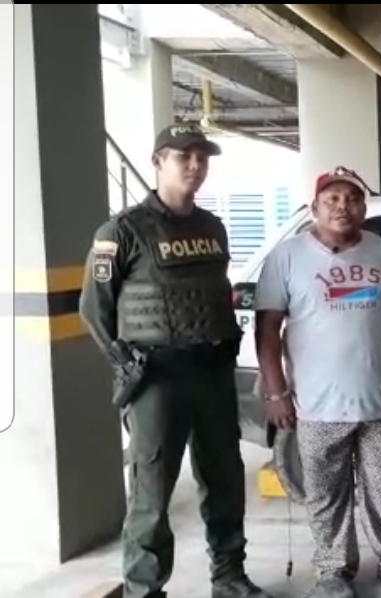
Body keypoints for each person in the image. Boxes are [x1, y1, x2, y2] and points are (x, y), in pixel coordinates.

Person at [79, 124, 271, 598]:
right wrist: (125, 366)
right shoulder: (121, 231)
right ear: (158, 162)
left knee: (225, 479)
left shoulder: (212, 227)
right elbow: (94, 310)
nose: (195, 165)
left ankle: (229, 576)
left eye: (202, 157)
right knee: (151, 493)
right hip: (156, 378)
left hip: (212, 371)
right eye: (184, 156)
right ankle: (145, 590)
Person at [253, 166, 381, 597]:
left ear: (364, 208)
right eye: (332, 199)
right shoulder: (287, 258)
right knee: (326, 495)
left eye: (352, 199)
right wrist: (277, 392)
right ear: (314, 207)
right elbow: (267, 330)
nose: (342, 207)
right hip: (318, 405)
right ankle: (333, 571)